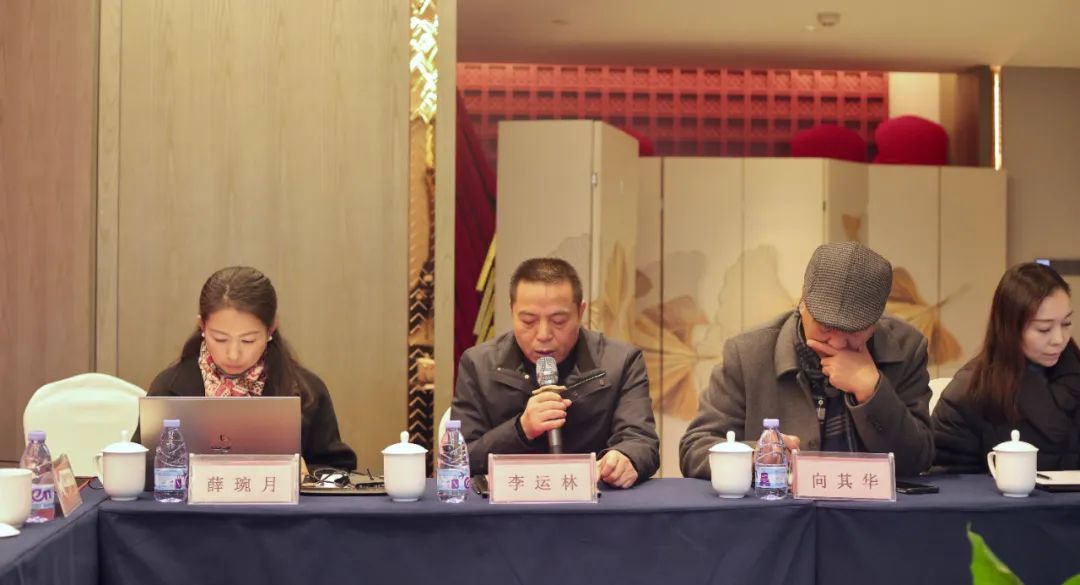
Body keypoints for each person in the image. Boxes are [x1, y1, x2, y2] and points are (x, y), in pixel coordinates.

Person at [679, 241, 934, 478]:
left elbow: (918, 460)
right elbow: (695, 448)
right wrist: (758, 455)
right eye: (825, 327)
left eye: (854, 331)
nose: (836, 343)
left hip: (875, 508)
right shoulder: (748, 355)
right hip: (779, 508)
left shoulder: (906, 348)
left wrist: (873, 392)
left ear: (875, 320)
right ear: (802, 302)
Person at [452, 257, 659, 488]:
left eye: (558, 321)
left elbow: (642, 441)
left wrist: (626, 457)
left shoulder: (621, 362)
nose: (543, 335)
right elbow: (459, 459)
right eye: (528, 321)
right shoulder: (478, 364)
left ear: (580, 312)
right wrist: (521, 429)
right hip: (508, 502)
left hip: (594, 501)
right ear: (512, 311)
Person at [149, 266, 356, 471]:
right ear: (202, 326)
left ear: (270, 330)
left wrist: (307, 472)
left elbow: (339, 469)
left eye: (248, 340)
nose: (233, 354)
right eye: (220, 339)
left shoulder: (306, 390)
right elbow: (144, 467)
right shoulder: (168, 388)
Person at [933, 263, 1080, 470]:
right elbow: (947, 478)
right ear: (1010, 329)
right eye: (1044, 328)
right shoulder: (969, 391)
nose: (1059, 339)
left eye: (1066, 324)